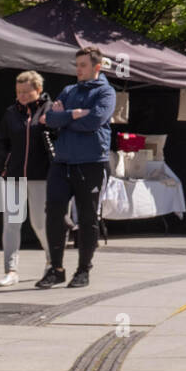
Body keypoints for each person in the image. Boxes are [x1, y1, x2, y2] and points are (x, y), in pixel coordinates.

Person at [37, 46, 116, 289]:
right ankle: (56, 268)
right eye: (77, 65)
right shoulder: (69, 90)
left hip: (91, 162)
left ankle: (83, 270)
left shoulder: (106, 92)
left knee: (88, 217)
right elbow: (48, 119)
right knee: (53, 214)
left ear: (97, 67)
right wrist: (75, 115)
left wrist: (66, 117)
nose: (78, 70)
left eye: (83, 65)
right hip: (62, 162)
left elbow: (94, 121)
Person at [0, 71, 55, 287]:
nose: (21, 95)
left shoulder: (50, 110)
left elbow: (57, 138)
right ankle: (11, 270)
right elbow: (1, 141)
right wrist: (4, 166)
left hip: (41, 176)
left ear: (38, 90)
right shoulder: (11, 113)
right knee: (11, 223)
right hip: (13, 176)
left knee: (40, 223)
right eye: (18, 91)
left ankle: (51, 261)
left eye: (26, 91)